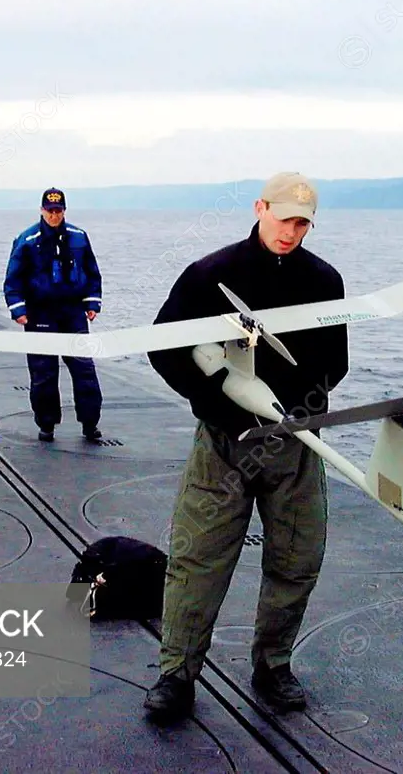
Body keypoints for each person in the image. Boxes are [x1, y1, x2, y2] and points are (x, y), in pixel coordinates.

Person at [143, 172, 349, 721]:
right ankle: (177, 676)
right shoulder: (211, 275)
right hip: (224, 444)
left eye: (303, 223)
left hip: (294, 445)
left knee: (297, 557)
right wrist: (220, 405)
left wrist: (301, 411)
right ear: (260, 208)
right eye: (284, 218)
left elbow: (337, 361)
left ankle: (273, 665)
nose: (291, 231)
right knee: (198, 558)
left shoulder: (325, 280)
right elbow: (163, 349)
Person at [3, 187, 104, 443]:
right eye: (50, 211)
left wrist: (92, 303)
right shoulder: (27, 240)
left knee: (84, 369)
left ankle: (90, 422)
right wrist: (19, 310)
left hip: (72, 312)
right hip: (41, 312)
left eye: (58, 211)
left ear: (64, 211)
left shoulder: (79, 237)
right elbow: (13, 279)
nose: (54, 216)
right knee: (44, 372)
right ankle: (47, 424)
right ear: (42, 210)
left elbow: (92, 273)